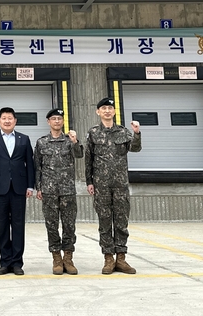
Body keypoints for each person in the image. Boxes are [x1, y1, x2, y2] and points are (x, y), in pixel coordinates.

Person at [85, 97, 142, 275]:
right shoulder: (93, 133)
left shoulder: (124, 132)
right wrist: (89, 182)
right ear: (98, 112)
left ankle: (121, 258)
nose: (107, 111)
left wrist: (137, 133)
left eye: (110, 108)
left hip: (120, 185)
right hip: (101, 185)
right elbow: (88, 159)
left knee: (121, 222)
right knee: (104, 221)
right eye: (104, 108)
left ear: (114, 111)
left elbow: (135, 149)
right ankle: (108, 259)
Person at [0, 107, 35, 275]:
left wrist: (30, 186)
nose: (7, 120)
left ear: (15, 121)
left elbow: (30, 165)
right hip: (0, 188)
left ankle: (17, 263)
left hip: (19, 188)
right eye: (4, 118)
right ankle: (5, 262)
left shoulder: (24, 139)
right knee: (2, 226)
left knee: (18, 225)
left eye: (10, 118)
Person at [34, 108, 84, 275]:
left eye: (59, 119)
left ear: (63, 122)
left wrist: (75, 141)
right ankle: (56, 258)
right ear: (48, 122)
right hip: (48, 191)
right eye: (54, 119)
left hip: (67, 189)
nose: (57, 121)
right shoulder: (41, 142)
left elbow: (79, 155)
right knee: (52, 225)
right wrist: (38, 187)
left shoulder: (70, 140)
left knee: (69, 225)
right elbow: (37, 167)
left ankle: (68, 258)